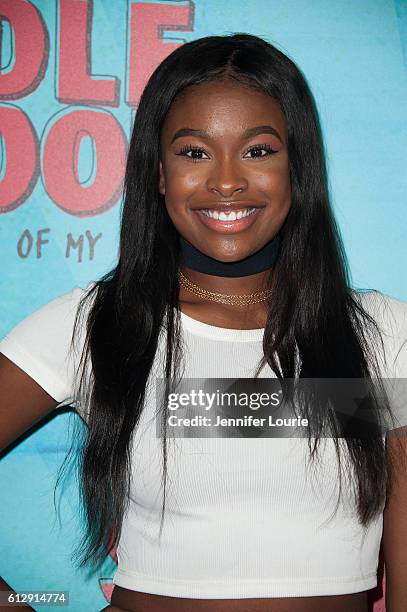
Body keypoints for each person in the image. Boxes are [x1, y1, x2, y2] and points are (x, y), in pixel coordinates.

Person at [0, 33, 406, 612]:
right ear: (158, 173)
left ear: (300, 168)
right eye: (193, 152)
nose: (226, 181)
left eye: (259, 151)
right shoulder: (99, 326)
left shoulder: (385, 337)